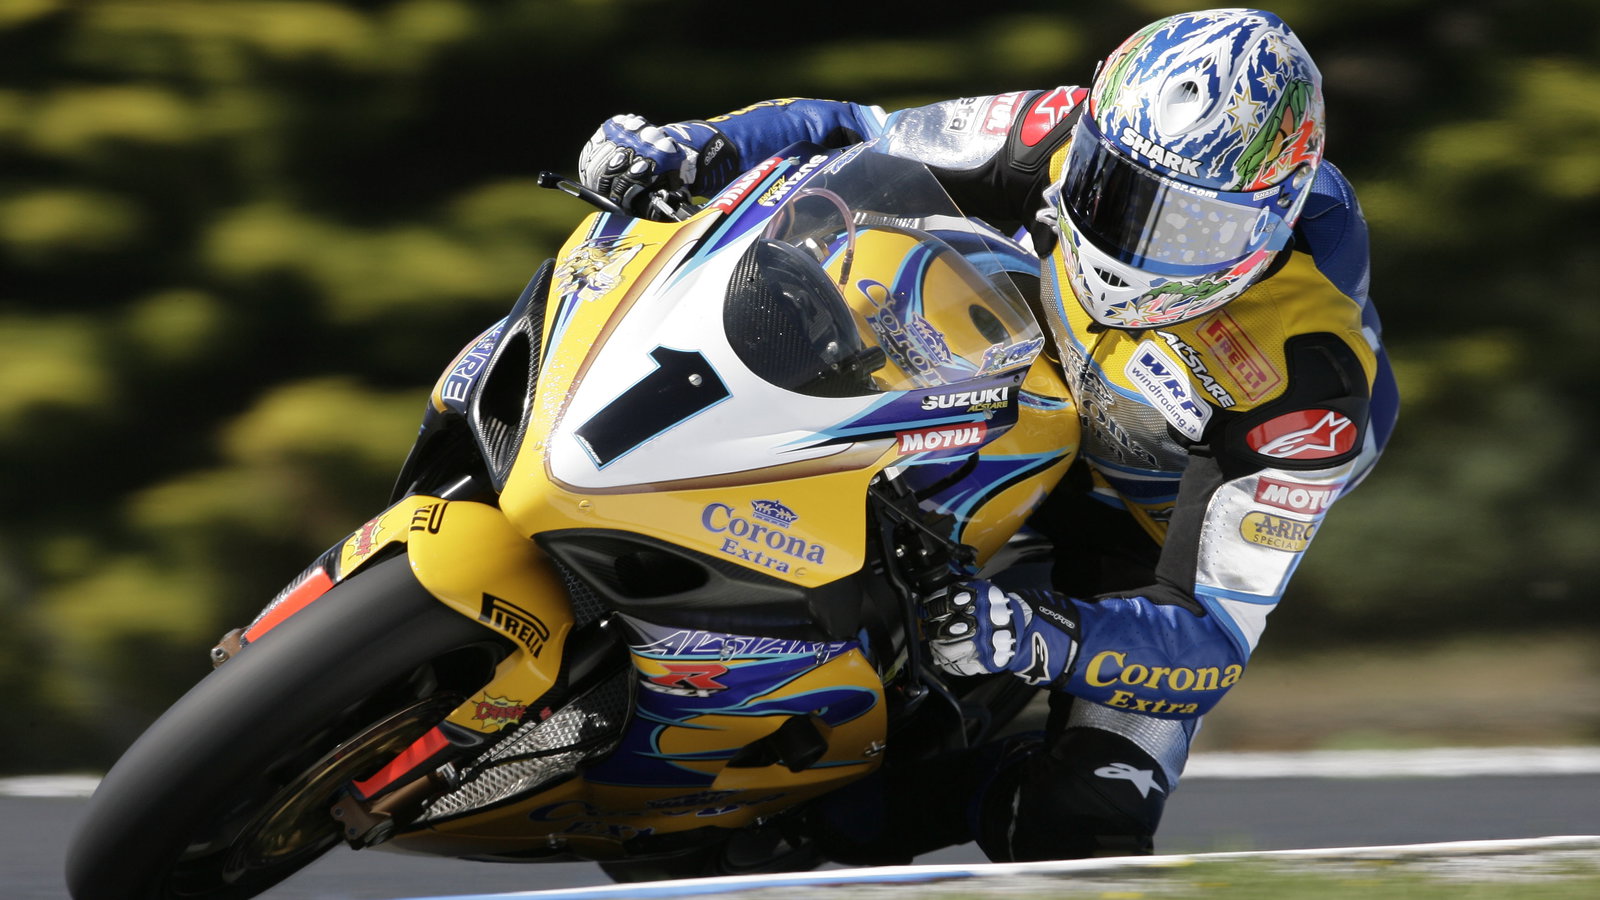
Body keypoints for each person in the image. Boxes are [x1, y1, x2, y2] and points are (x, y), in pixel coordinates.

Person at [577, 8, 1399, 863]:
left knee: (1086, 824)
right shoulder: (1063, 127)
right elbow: (860, 132)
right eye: (1114, 189)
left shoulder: (1311, 383)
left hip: (1143, 536)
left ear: (1271, 220)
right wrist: (702, 144)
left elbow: (1210, 641)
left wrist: (1039, 633)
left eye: (1191, 227)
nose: (1131, 242)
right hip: (997, 392)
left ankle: (826, 821)